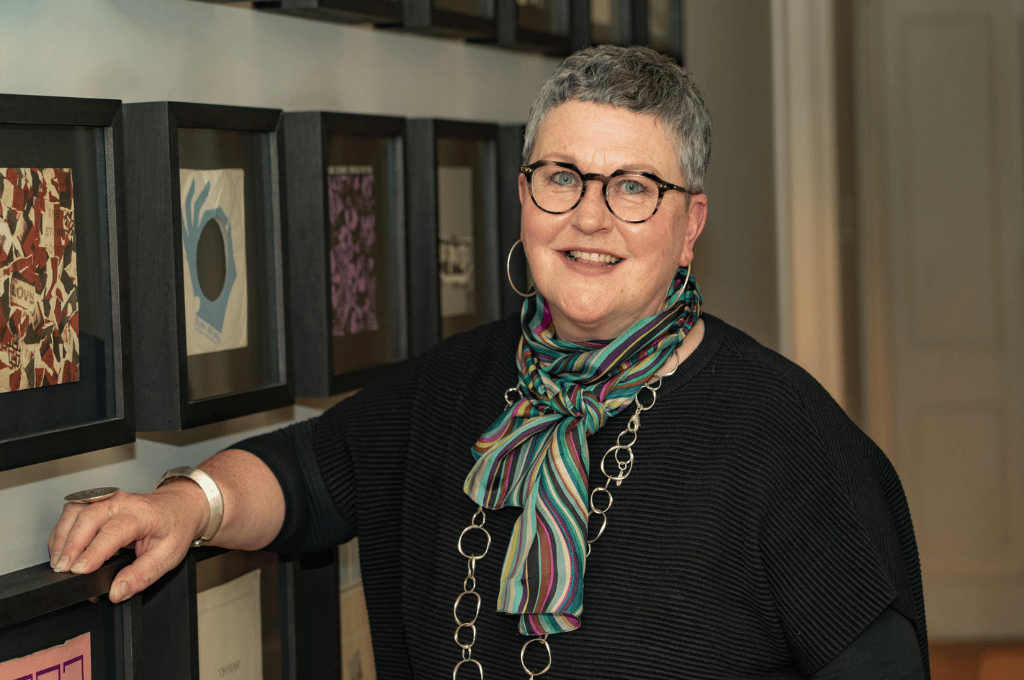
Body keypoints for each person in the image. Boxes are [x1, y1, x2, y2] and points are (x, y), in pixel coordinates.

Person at [48, 46, 929, 679]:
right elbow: (312, 476)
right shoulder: (457, 386)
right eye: (562, 177)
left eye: (633, 188)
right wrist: (185, 505)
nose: (590, 218)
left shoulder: (786, 435)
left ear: (690, 224)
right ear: (523, 197)